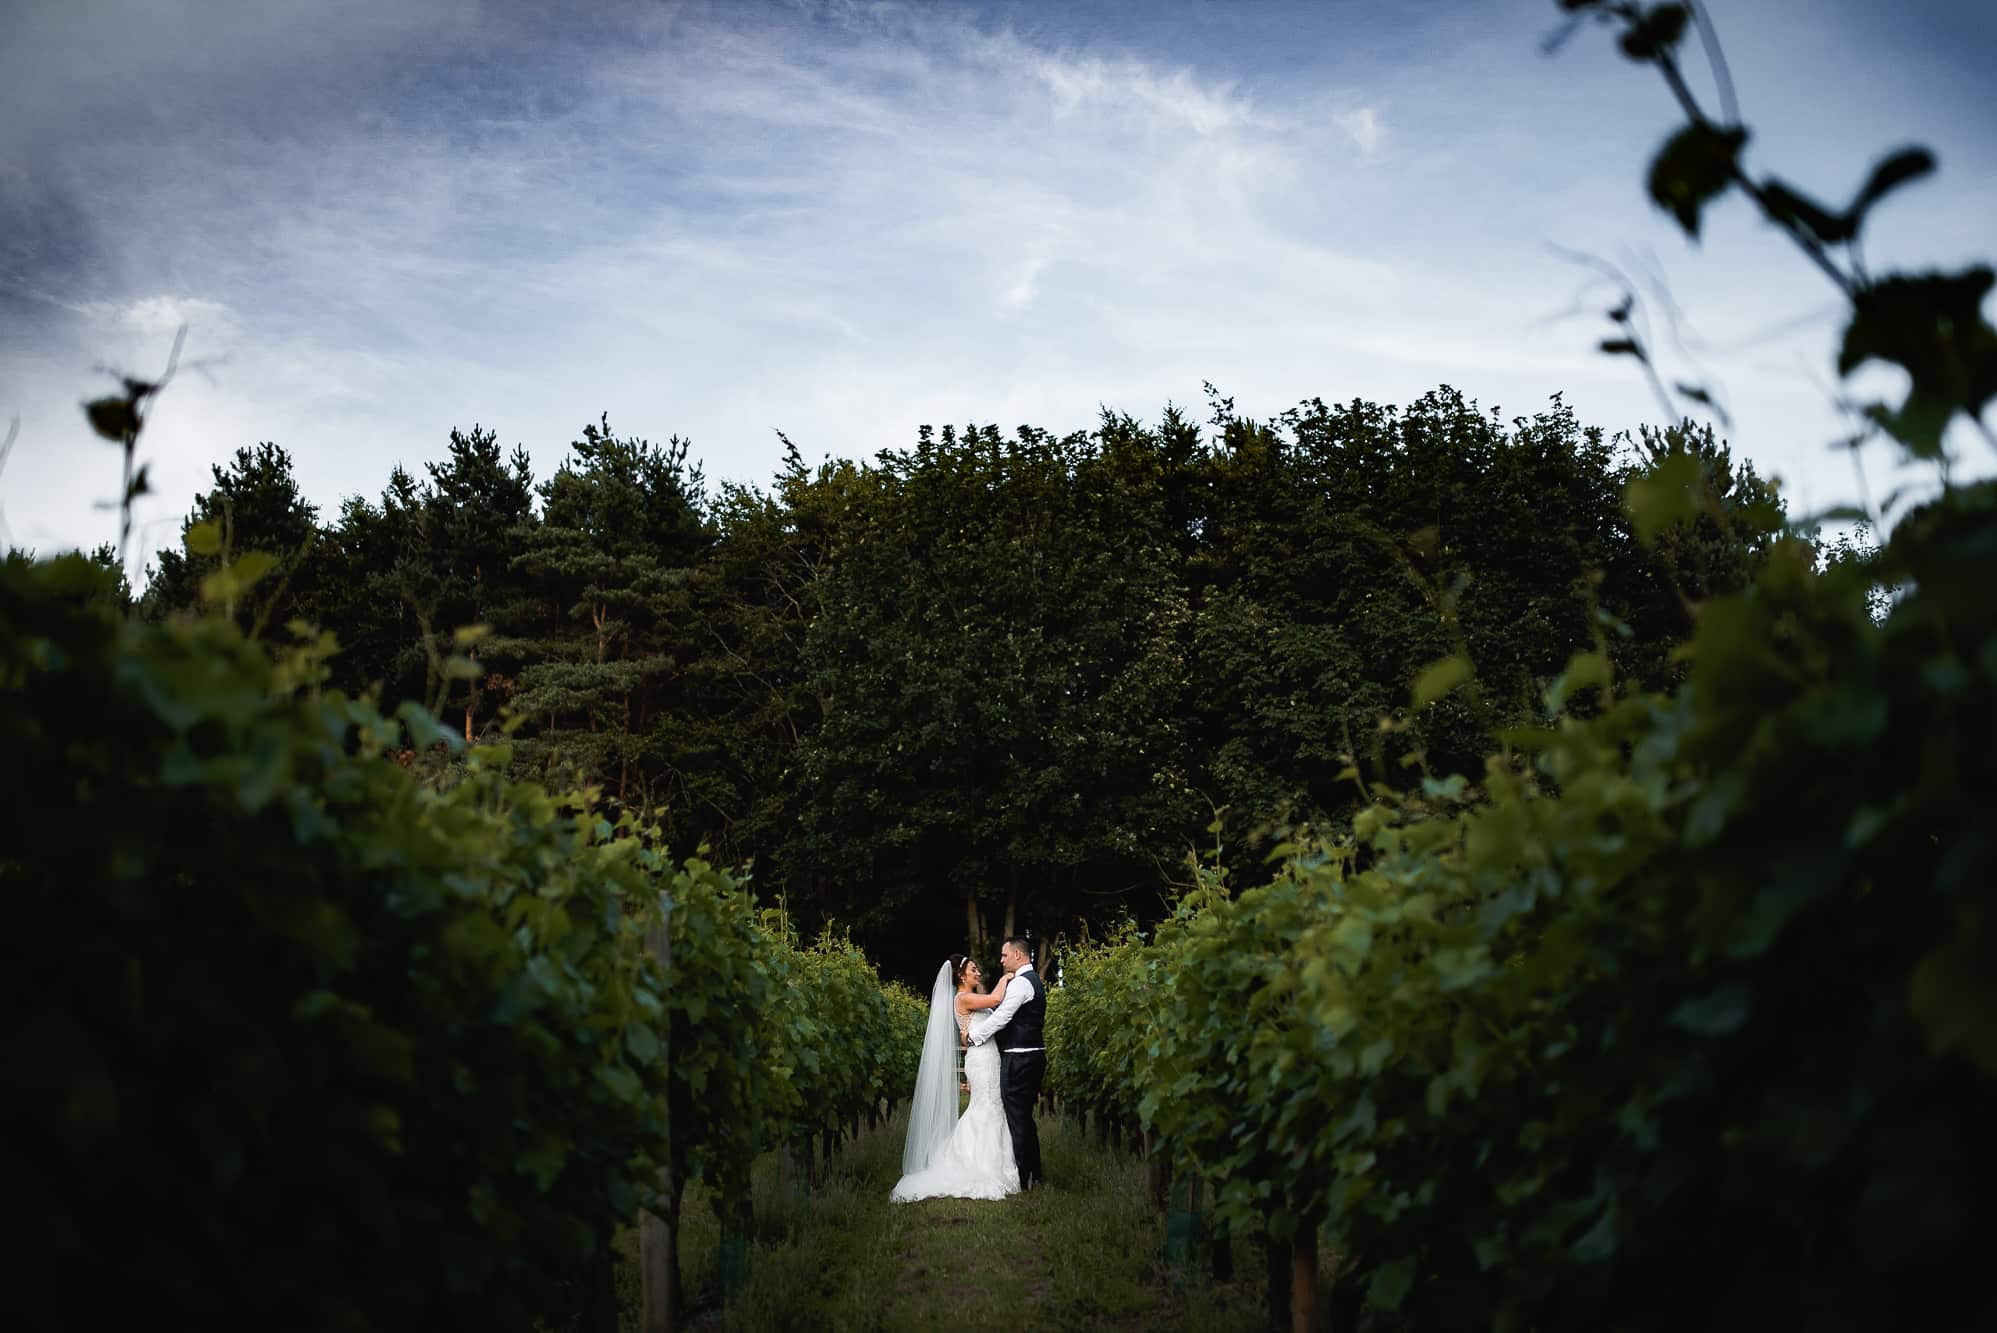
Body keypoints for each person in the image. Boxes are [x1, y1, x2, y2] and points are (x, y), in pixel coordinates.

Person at [889, 953, 1020, 1202]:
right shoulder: (964, 997)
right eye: (973, 969)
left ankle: (993, 1162)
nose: (978, 972)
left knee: (992, 1106)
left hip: (988, 1056)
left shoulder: (967, 997)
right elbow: (995, 998)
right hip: (981, 1060)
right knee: (985, 1107)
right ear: (961, 975)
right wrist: (1007, 977)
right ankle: (978, 1165)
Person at [967, 936, 1045, 1190]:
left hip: (1020, 1057)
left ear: (1018, 955)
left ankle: (1023, 1178)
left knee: (1017, 1117)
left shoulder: (1022, 984)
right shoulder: (1031, 981)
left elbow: (1002, 1017)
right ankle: (1034, 1174)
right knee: (1023, 1116)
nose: (1001, 959)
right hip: (1031, 1055)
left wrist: (974, 1036)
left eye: (1004, 955)